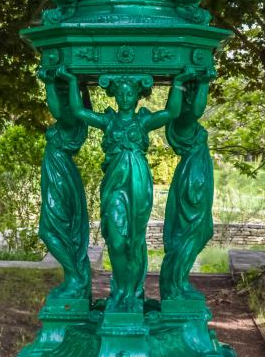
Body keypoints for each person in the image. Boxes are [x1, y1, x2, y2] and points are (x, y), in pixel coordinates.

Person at [59, 68, 197, 312]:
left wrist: (178, 83)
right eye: (120, 94)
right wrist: (71, 81)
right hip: (114, 186)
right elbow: (80, 111)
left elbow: (172, 112)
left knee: (134, 240)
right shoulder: (108, 121)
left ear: (136, 96)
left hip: (138, 185)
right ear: (115, 95)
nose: (124, 98)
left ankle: (131, 293)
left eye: (129, 94)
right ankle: (120, 288)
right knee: (116, 238)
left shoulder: (142, 121)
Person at [160, 70, 214, 300]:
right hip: (194, 180)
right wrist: (202, 82)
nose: (193, 100)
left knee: (199, 231)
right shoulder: (182, 121)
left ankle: (178, 280)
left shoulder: (184, 121)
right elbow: (197, 110)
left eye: (194, 94)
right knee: (191, 231)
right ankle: (177, 283)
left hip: (196, 175)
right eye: (188, 95)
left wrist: (191, 84)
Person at [38, 69, 91, 299]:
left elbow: (56, 108)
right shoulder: (78, 117)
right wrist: (80, 86)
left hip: (60, 175)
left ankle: (74, 277)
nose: (59, 96)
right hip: (58, 173)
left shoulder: (70, 117)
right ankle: (74, 276)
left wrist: (51, 81)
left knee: (50, 230)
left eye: (63, 92)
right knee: (58, 229)